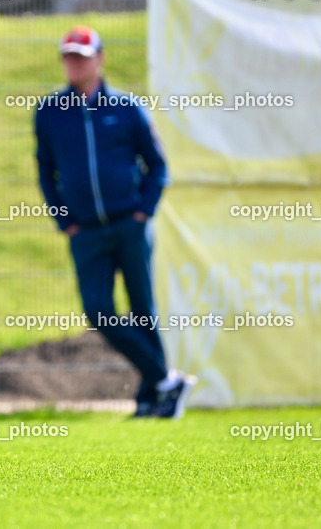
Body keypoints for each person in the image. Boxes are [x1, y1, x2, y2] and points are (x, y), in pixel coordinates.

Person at [34, 25, 195, 418]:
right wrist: (64, 219)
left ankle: (150, 399)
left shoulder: (127, 107)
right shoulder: (50, 112)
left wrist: (143, 211)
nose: (75, 63)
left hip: (130, 225)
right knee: (98, 310)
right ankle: (165, 379)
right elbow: (45, 171)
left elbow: (157, 166)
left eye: (82, 56)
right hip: (85, 232)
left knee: (143, 310)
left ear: (100, 59)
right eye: (69, 56)